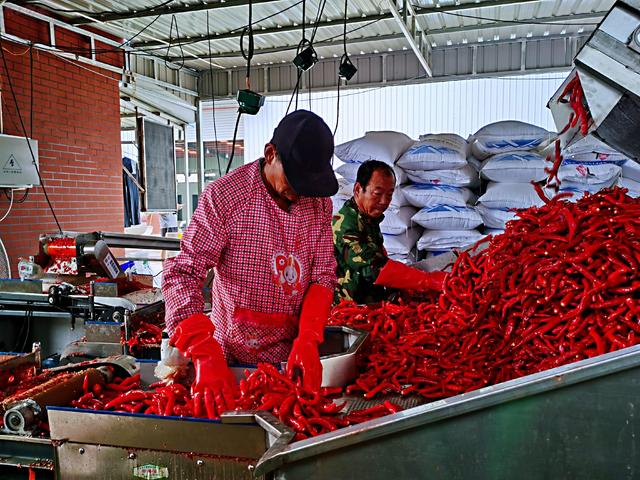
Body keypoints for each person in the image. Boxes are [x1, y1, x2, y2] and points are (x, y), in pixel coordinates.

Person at [158, 110, 339, 413]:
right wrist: (204, 351)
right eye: (295, 180)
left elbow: (322, 277)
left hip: (288, 358)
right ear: (271, 154)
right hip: (230, 357)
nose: (299, 194)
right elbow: (182, 273)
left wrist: (308, 338)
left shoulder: (318, 204)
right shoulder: (225, 197)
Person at [333, 160, 445, 304]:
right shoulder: (345, 224)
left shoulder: (369, 220)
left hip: (370, 306)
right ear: (358, 189)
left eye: (389, 194)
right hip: (347, 311)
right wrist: (428, 280)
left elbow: (379, 257)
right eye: (377, 193)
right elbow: (374, 268)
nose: (384, 201)